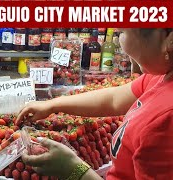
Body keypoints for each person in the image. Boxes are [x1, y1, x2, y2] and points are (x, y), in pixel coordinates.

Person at [15, 28, 173, 180]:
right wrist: (52, 105)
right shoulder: (160, 77)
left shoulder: (165, 121)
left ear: (168, 39)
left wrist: (73, 169)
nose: (119, 44)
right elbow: (113, 99)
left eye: (122, 33)